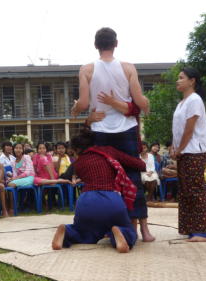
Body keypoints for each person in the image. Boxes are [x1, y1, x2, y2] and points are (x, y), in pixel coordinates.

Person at [71, 27, 154, 242]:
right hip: (126, 128)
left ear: (96, 45)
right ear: (115, 43)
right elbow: (139, 101)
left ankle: (112, 228)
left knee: (107, 180)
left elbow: (83, 103)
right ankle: (142, 230)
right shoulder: (127, 68)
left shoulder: (86, 69)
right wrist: (146, 105)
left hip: (100, 129)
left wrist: (75, 109)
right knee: (133, 176)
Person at [52, 129, 145, 253]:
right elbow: (141, 165)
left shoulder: (78, 163)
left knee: (83, 232)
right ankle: (120, 232)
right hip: (111, 200)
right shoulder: (108, 151)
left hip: (86, 203)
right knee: (129, 230)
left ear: (78, 150)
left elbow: (64, 176)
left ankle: (68, 232)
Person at [171, 67, 206, 242]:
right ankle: (189, 228)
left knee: (196, 190)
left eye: (181, 77)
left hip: (195, 150)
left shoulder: (195, 100)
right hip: (184, 151)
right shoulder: (182, 103)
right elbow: (178, 130)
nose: (177, 81)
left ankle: (202, 231)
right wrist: (174, 147)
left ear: (192, 80)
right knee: (186, 190)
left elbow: (189, 128)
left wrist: (179, 148)